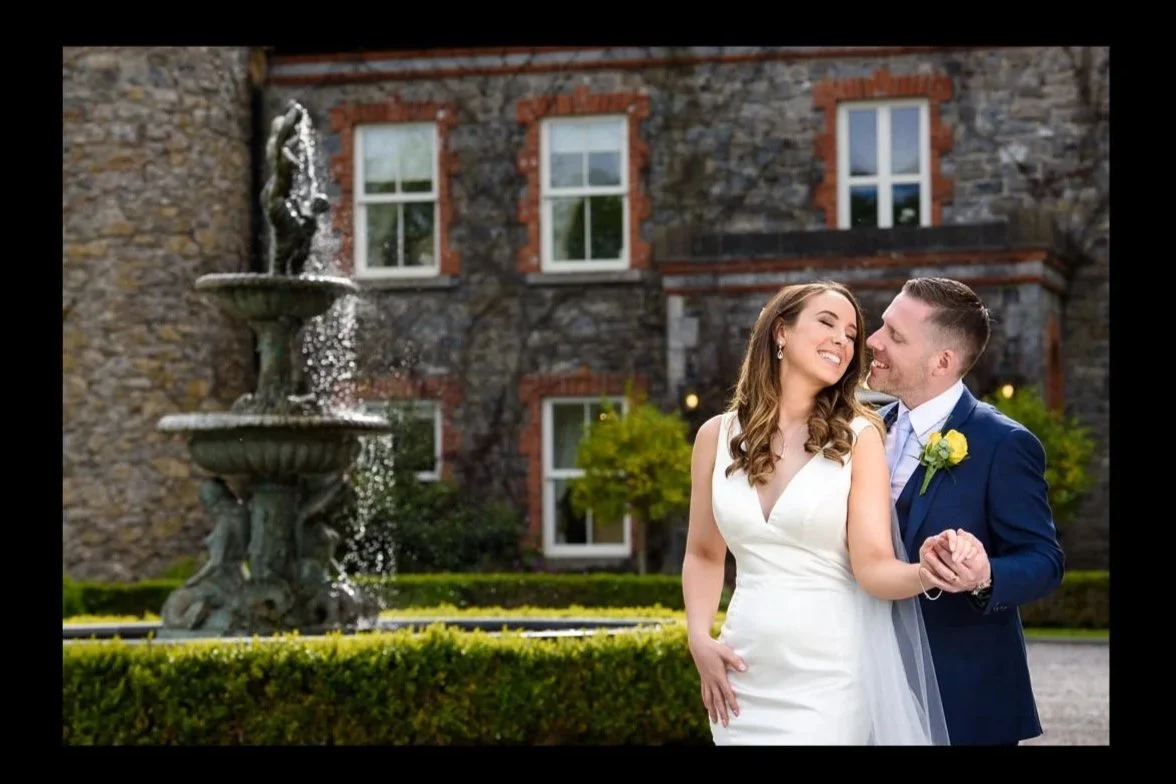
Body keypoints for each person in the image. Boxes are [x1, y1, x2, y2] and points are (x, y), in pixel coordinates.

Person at [682, 280, 957, 746]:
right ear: (781, 331)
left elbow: (873, 566)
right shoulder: (715, 436)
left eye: (851, 334)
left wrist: (925, 573)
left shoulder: (858, 438)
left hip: (830, 678)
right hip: (742, 674)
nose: (842, 341)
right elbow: (704, 554)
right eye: (827, 323)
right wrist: (698, 639)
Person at [863, 277, 1065, 745]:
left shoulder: (1004, 444)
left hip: (964, 698)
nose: (873, 340)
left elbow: (1044, 560)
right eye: (882, 326)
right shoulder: (865, 431)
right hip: (868, 688)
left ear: (942, 361)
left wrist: (984, 575)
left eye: (895, 335)